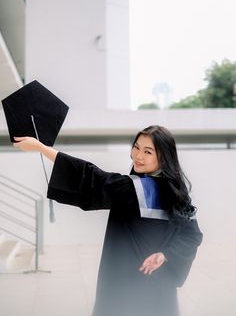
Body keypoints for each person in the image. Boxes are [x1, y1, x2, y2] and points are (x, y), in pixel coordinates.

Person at [14, 125, 203, 316]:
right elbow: (193, 235)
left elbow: (92, 177)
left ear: (163, 157)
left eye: (148, 152)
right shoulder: (178, 193)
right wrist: (166, 254)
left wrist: (41, 148)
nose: (138, 155)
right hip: (160, 287)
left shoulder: (136, 189)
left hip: (128, 285)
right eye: (136, 147)